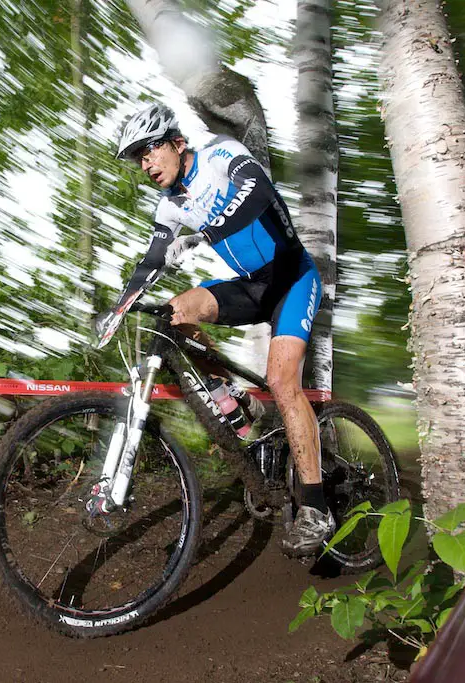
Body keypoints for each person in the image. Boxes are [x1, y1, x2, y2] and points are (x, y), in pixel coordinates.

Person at [95, 102, 335, 556]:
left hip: (291, 280)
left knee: (284, 383)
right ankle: (232, 398)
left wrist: (205, 233)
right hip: (250, 286)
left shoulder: (221, 155)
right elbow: (152, 261)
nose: (145, 164)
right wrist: (119, 307)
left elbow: (258, 192)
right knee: (172, 314)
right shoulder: (169, 206)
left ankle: (316, 507)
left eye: (149, 150)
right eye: (137, 158)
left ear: (178, 143)